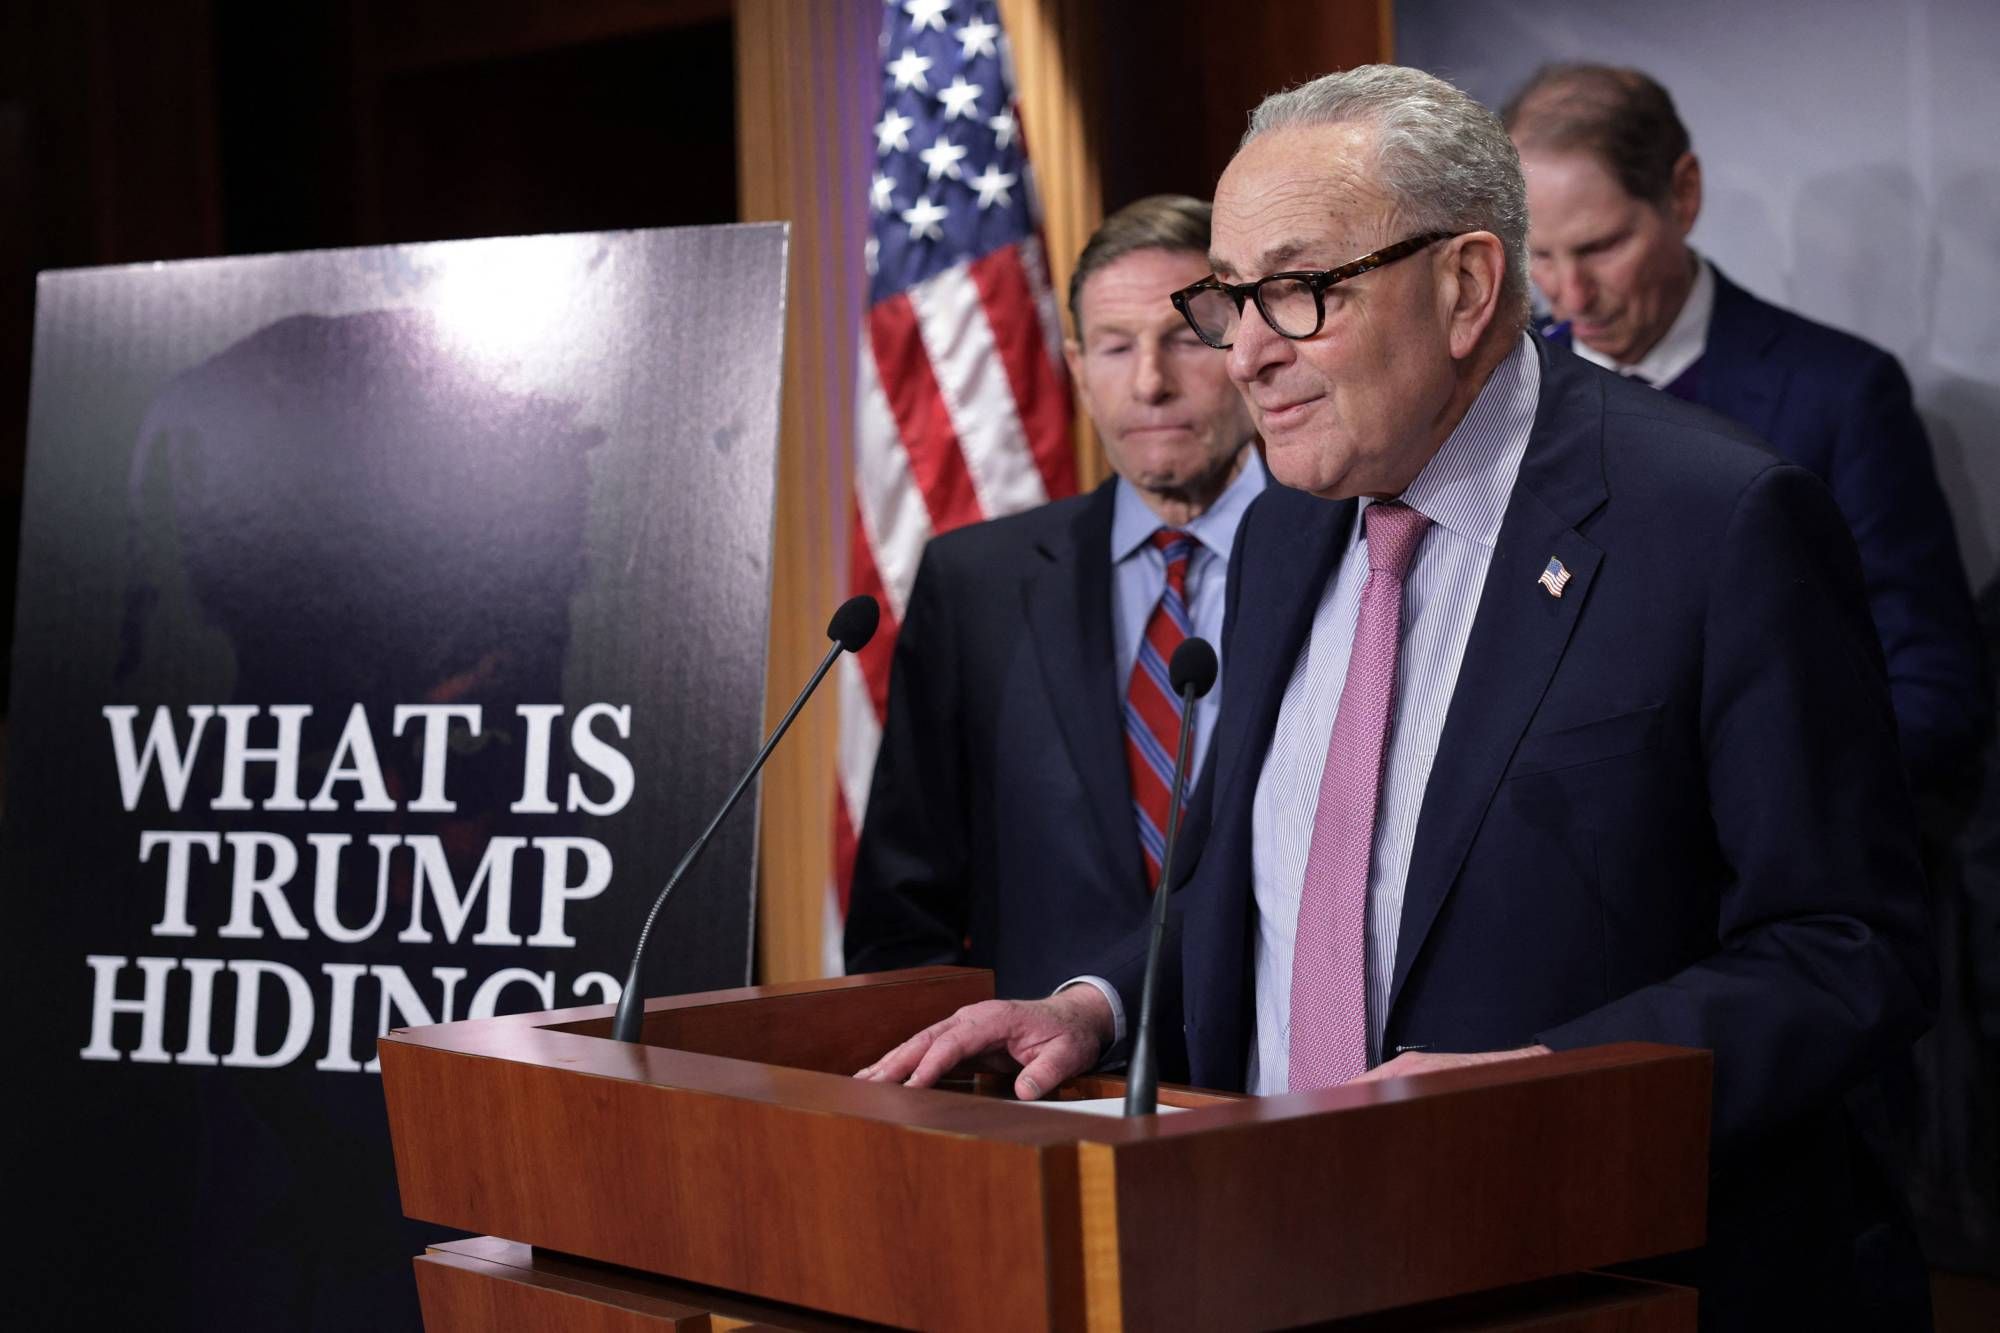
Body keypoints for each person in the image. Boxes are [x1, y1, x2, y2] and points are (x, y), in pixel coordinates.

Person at [857, 66, 1935, 1329]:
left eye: (1297, 292)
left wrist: (1546, 1085)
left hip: (1592, 1276)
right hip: (1281, 1263)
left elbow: (1844, 950)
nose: (1244, 353)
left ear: (1464, 286)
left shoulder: (1716, 521)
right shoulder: (1283, 528)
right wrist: (1087, 1007)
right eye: (1230, 298)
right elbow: (1248, 886)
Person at [1503, 63, 1988, 792]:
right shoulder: (1497, 395)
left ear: (1684, 194)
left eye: (1602, 247)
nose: (1570, 295)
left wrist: (1788, 824)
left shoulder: (1842, 396)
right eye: (1539, 255)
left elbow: (1931, 684)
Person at [844, 195, 1266, 1000]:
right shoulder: (975, 586)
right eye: (1115, 347)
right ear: (1076, 369)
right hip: (1045, 1065)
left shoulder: (1346, 550)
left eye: (1185, 339)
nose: (1150, 383)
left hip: (1286, 1059)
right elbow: (902, 919)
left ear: (1245, 346)